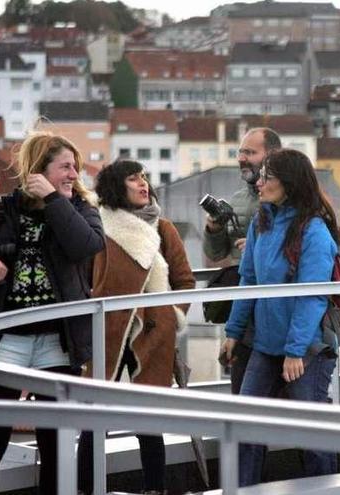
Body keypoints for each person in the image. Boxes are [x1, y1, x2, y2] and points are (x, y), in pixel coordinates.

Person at [0, 131, 104, 495]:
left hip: (58, 342)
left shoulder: (80, 210)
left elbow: (87, 246)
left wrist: (54, 199)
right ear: (38, 169)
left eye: (76, 168)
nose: (73, 175)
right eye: (65, 167)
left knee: (56, 444)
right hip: (5, 341)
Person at [220, 148, 340, 486]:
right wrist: (233, 331)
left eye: (267, 177)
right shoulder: (263, 222)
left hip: (307, 349)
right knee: (245, 424)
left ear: (288, 183)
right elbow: (249, 280)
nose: (259, 182)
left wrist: (295, 350)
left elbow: (312, 295)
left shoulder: (314, 231)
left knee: (311, 430)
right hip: (267, 343)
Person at [77, 160, 196, 495]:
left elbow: (184, 281)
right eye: (133, 178)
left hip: (153, 332)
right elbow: (84, 278)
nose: (143, 184)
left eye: (144, 177)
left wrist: (172, 316)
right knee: (92, 421)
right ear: (117, 186)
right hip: (108, 332)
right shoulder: (97, 226)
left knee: (149, 421)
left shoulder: (163, 228)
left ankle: (154, 490)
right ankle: (86, 490)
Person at [203, 127, 282, 395]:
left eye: (250, 152)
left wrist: (260, 247)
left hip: (276, 307)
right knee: (242, 384)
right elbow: (216, 254)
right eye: (240, 152)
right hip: (243, 307)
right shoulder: (237, 200)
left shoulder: (291, 201)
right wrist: (213, 230)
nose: (242, 158)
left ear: (271, 155)